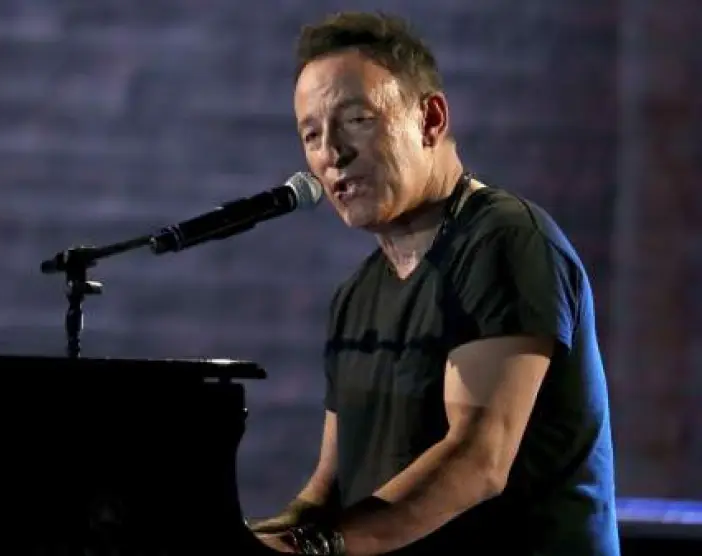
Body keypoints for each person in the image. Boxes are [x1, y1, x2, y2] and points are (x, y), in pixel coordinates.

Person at [248, 11, 620, 556]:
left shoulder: (507, 241)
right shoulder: (356, 295)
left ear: (430, 119)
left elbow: (478, 460)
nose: (331, 153)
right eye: (311, 134)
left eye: (356, 120)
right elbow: (328, 487)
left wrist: (316, 548)